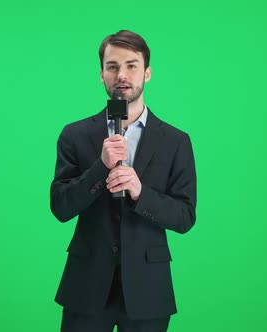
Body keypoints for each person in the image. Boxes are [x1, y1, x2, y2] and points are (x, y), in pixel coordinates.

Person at [50, 30, 197, 332]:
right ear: (101, 74)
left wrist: (141, 192)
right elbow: (61, 207)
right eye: (113, 66)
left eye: (131, 65)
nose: (122, 75)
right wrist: (100, 168)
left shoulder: (176, 141)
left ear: (147, 72)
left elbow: (185, 217)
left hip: (148, 288)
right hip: (86, 285)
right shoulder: (74, 135)